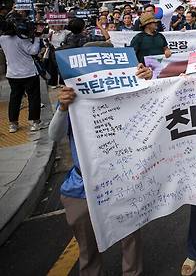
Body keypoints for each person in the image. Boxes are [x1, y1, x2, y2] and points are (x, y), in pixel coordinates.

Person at [50, 61, 152, 276]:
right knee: (87, 247)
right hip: (81, 187)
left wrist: (147, 82)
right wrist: (62, 108)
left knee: (130, 237)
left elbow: (154, 111)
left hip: (123, 179)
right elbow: (55, 135)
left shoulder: (128, 93)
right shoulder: (74, 100)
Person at [0, 19, 45, 133]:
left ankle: (13, 124)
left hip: (12, 74)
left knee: (15, 99)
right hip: (28, 73)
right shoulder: (21, 39)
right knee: (33, 98)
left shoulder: (2, 39)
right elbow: (33, 51)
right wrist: (37, 37)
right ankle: (35, 122)